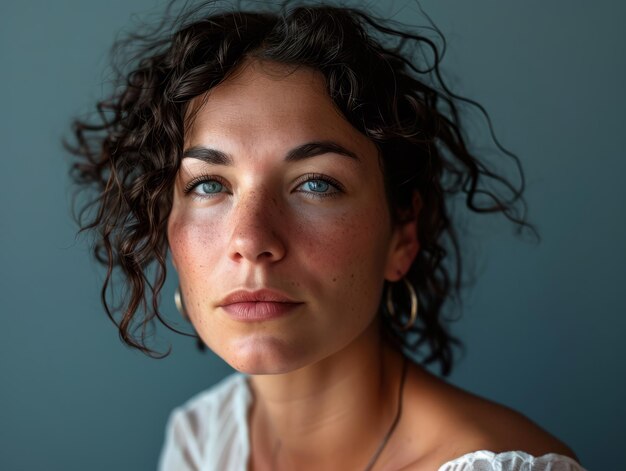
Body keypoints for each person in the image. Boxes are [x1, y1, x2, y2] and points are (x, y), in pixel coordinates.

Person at [66, 1, 587, 470]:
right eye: (208, 185)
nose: (251, 239)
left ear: (403, 234)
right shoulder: (203, 440)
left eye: (315, 184)